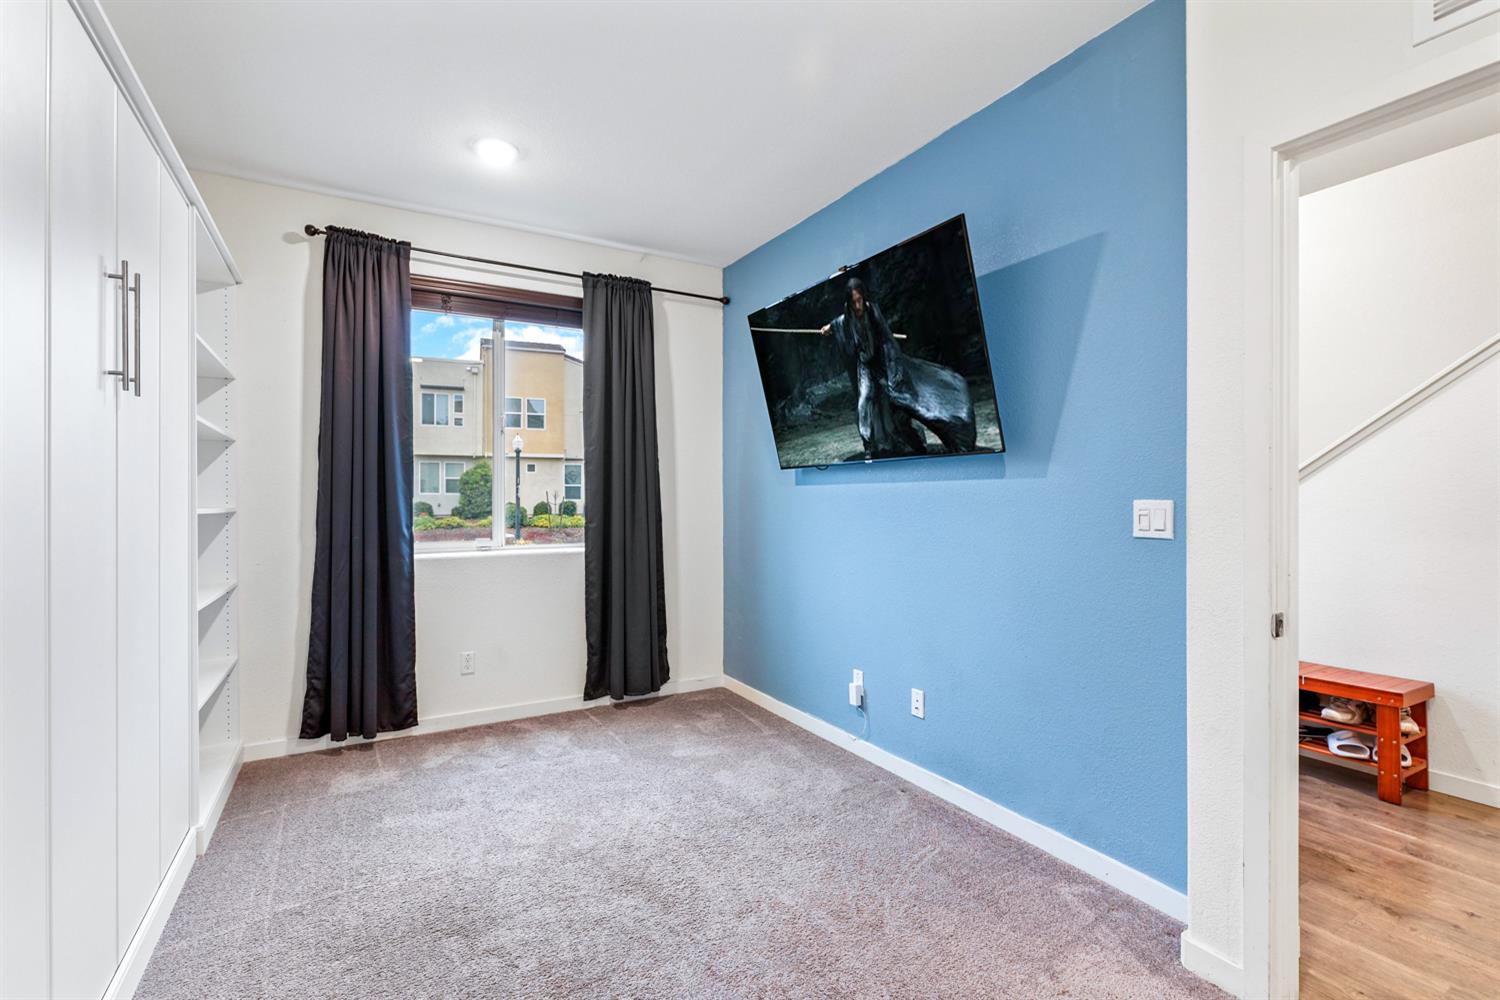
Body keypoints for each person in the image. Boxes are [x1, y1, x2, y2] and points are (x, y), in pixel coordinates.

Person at [820, 277, 976, 459]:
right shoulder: (848, 316)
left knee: (903, 404)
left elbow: (886, 340)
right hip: (866, 367)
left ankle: (919, 442)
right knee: (864, 401)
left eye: (859, 300)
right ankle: (868, 446)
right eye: (853, 302)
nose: (857, 306)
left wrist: (894, 372)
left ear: (863, 297)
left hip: (883, 364)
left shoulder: (872, 311)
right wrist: (828, 327)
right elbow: (838, 323)